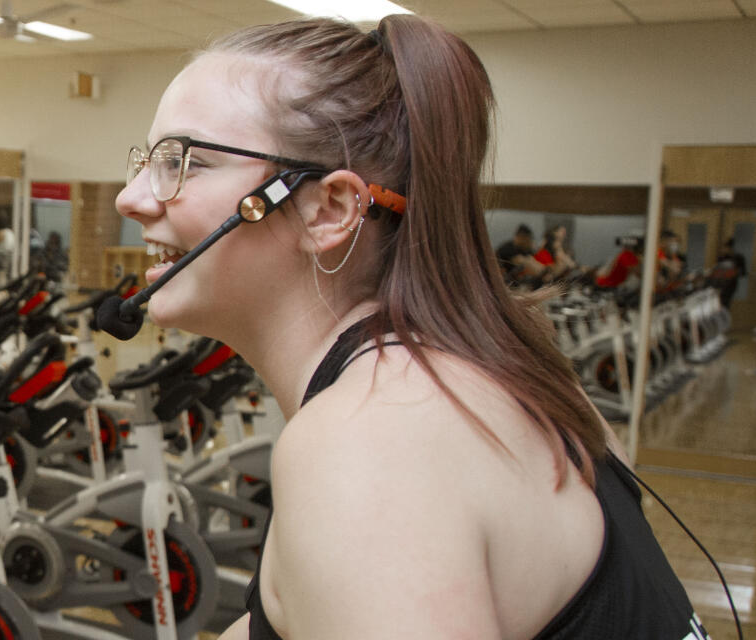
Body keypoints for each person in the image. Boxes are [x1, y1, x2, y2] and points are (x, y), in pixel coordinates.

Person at [115, 16, 707, 640]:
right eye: (146, 160)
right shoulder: (502, 378)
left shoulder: (370, 443)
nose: (131, 196)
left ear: (330, 210)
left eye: (187, 162)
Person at [710, 238, 746, 309]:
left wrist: (732, 273)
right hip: (719, 284)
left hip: (730, 285)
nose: (728, 250)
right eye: (727, 248)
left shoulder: (739, 258)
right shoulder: (722, 257)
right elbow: (715, 271)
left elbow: (743, 272)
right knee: (717, 303)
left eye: (730, 248)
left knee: (725, 304)